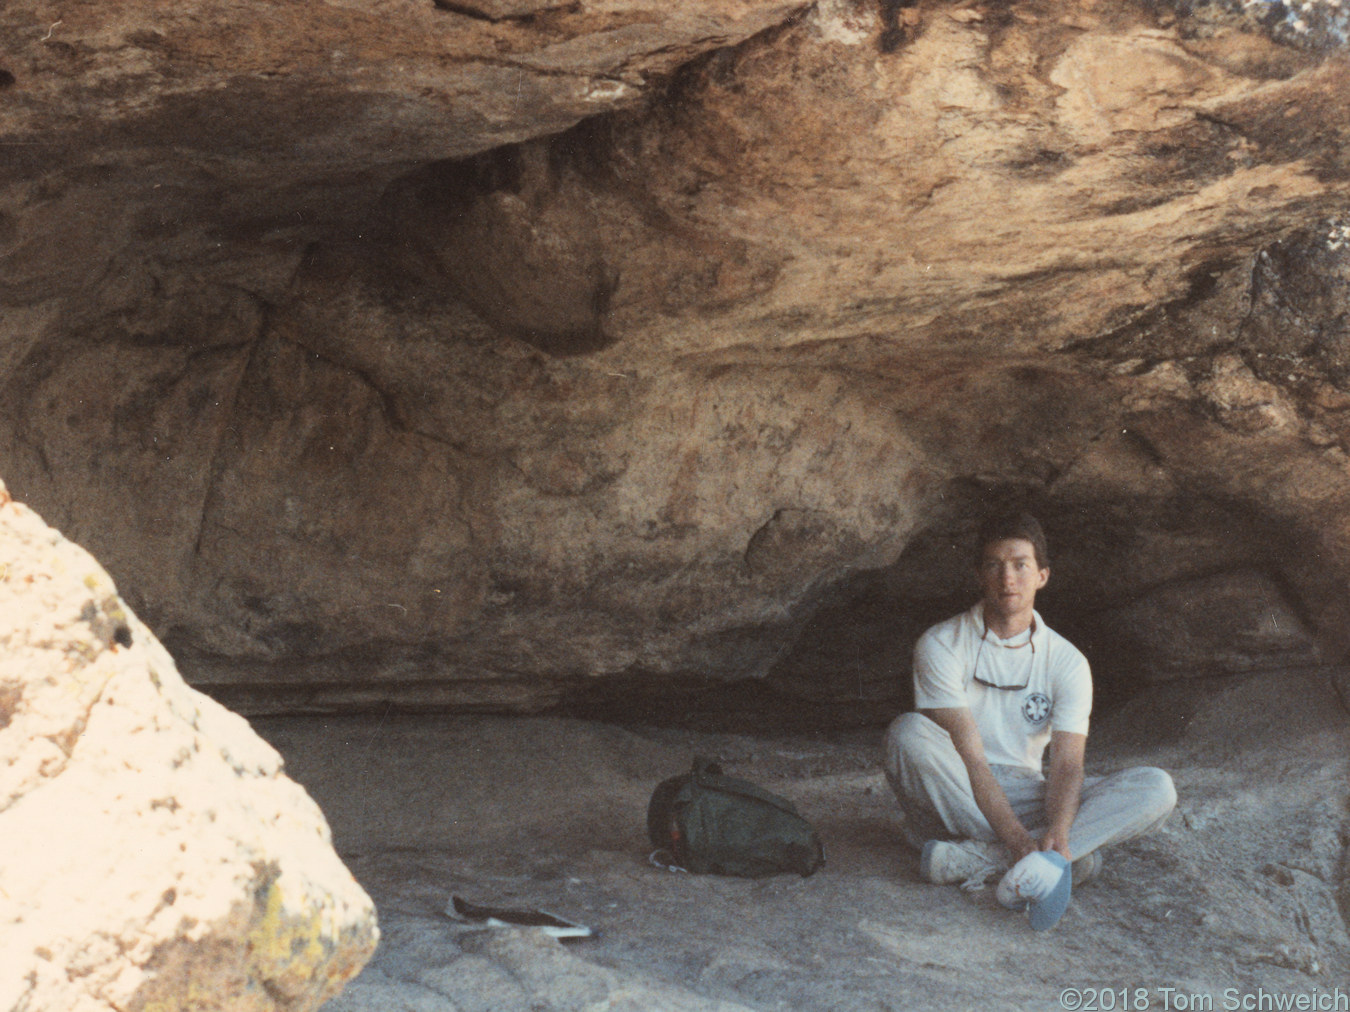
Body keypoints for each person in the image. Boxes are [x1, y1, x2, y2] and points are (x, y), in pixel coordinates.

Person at [884, 512, 1177, 898]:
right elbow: (971, 757)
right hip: (958, 790)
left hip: (1028, 793)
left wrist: (1056, 829)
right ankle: (1056, 860)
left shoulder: (1067, 660)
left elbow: (1068, 764)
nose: (1008, 579)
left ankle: (986, 858)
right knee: (907, 734)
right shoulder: (941, 643)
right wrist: (1020, 843)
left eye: (1021, 565)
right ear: (979, 575)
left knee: (1157, 788)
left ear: (1042, 575)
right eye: (995, 565)